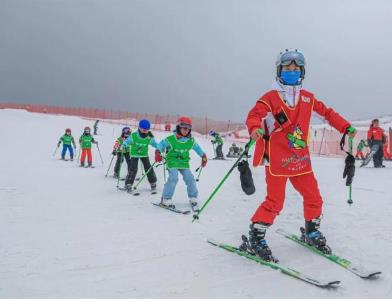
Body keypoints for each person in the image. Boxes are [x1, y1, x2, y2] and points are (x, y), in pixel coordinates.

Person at [243, 49, 356, 261]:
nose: (292, 72)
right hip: (276, 158)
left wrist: (345, 127)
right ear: (279, 70)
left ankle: (311, 231)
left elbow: (328, 114)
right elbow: (254, 115)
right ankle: (256, 236)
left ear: (302, 71)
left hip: (300, 160)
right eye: (287, 68)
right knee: (275, 201)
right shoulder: (270, 98)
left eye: (296, 69)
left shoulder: (308, 98)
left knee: (313, 196)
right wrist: (254, 128)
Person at [156, 117, 207, 210]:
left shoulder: (190, 140)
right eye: (184, 128)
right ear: (179, 127)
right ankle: (166, 199)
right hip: (172, 161)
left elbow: (197, 148)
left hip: (184, 162)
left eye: (188, 129)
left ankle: (193, 197)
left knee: (190, 179)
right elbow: (161, 145)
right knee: (173, 178)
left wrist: (203, 156)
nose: (186, 131)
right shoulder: (171, 139)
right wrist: (158, 152)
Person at [121, 119, 158, 193]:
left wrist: (160, 147)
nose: (145, 131)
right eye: (143, 129)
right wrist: (124, 145)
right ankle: (128, 184)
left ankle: (153, 182)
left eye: (147, 130)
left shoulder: (149, 137)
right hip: (135, 154)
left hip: (144, 154)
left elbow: (155, 144)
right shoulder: (134, 136)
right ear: (139, 128)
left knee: (148, 167)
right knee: (133, 169)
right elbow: (127, 141)